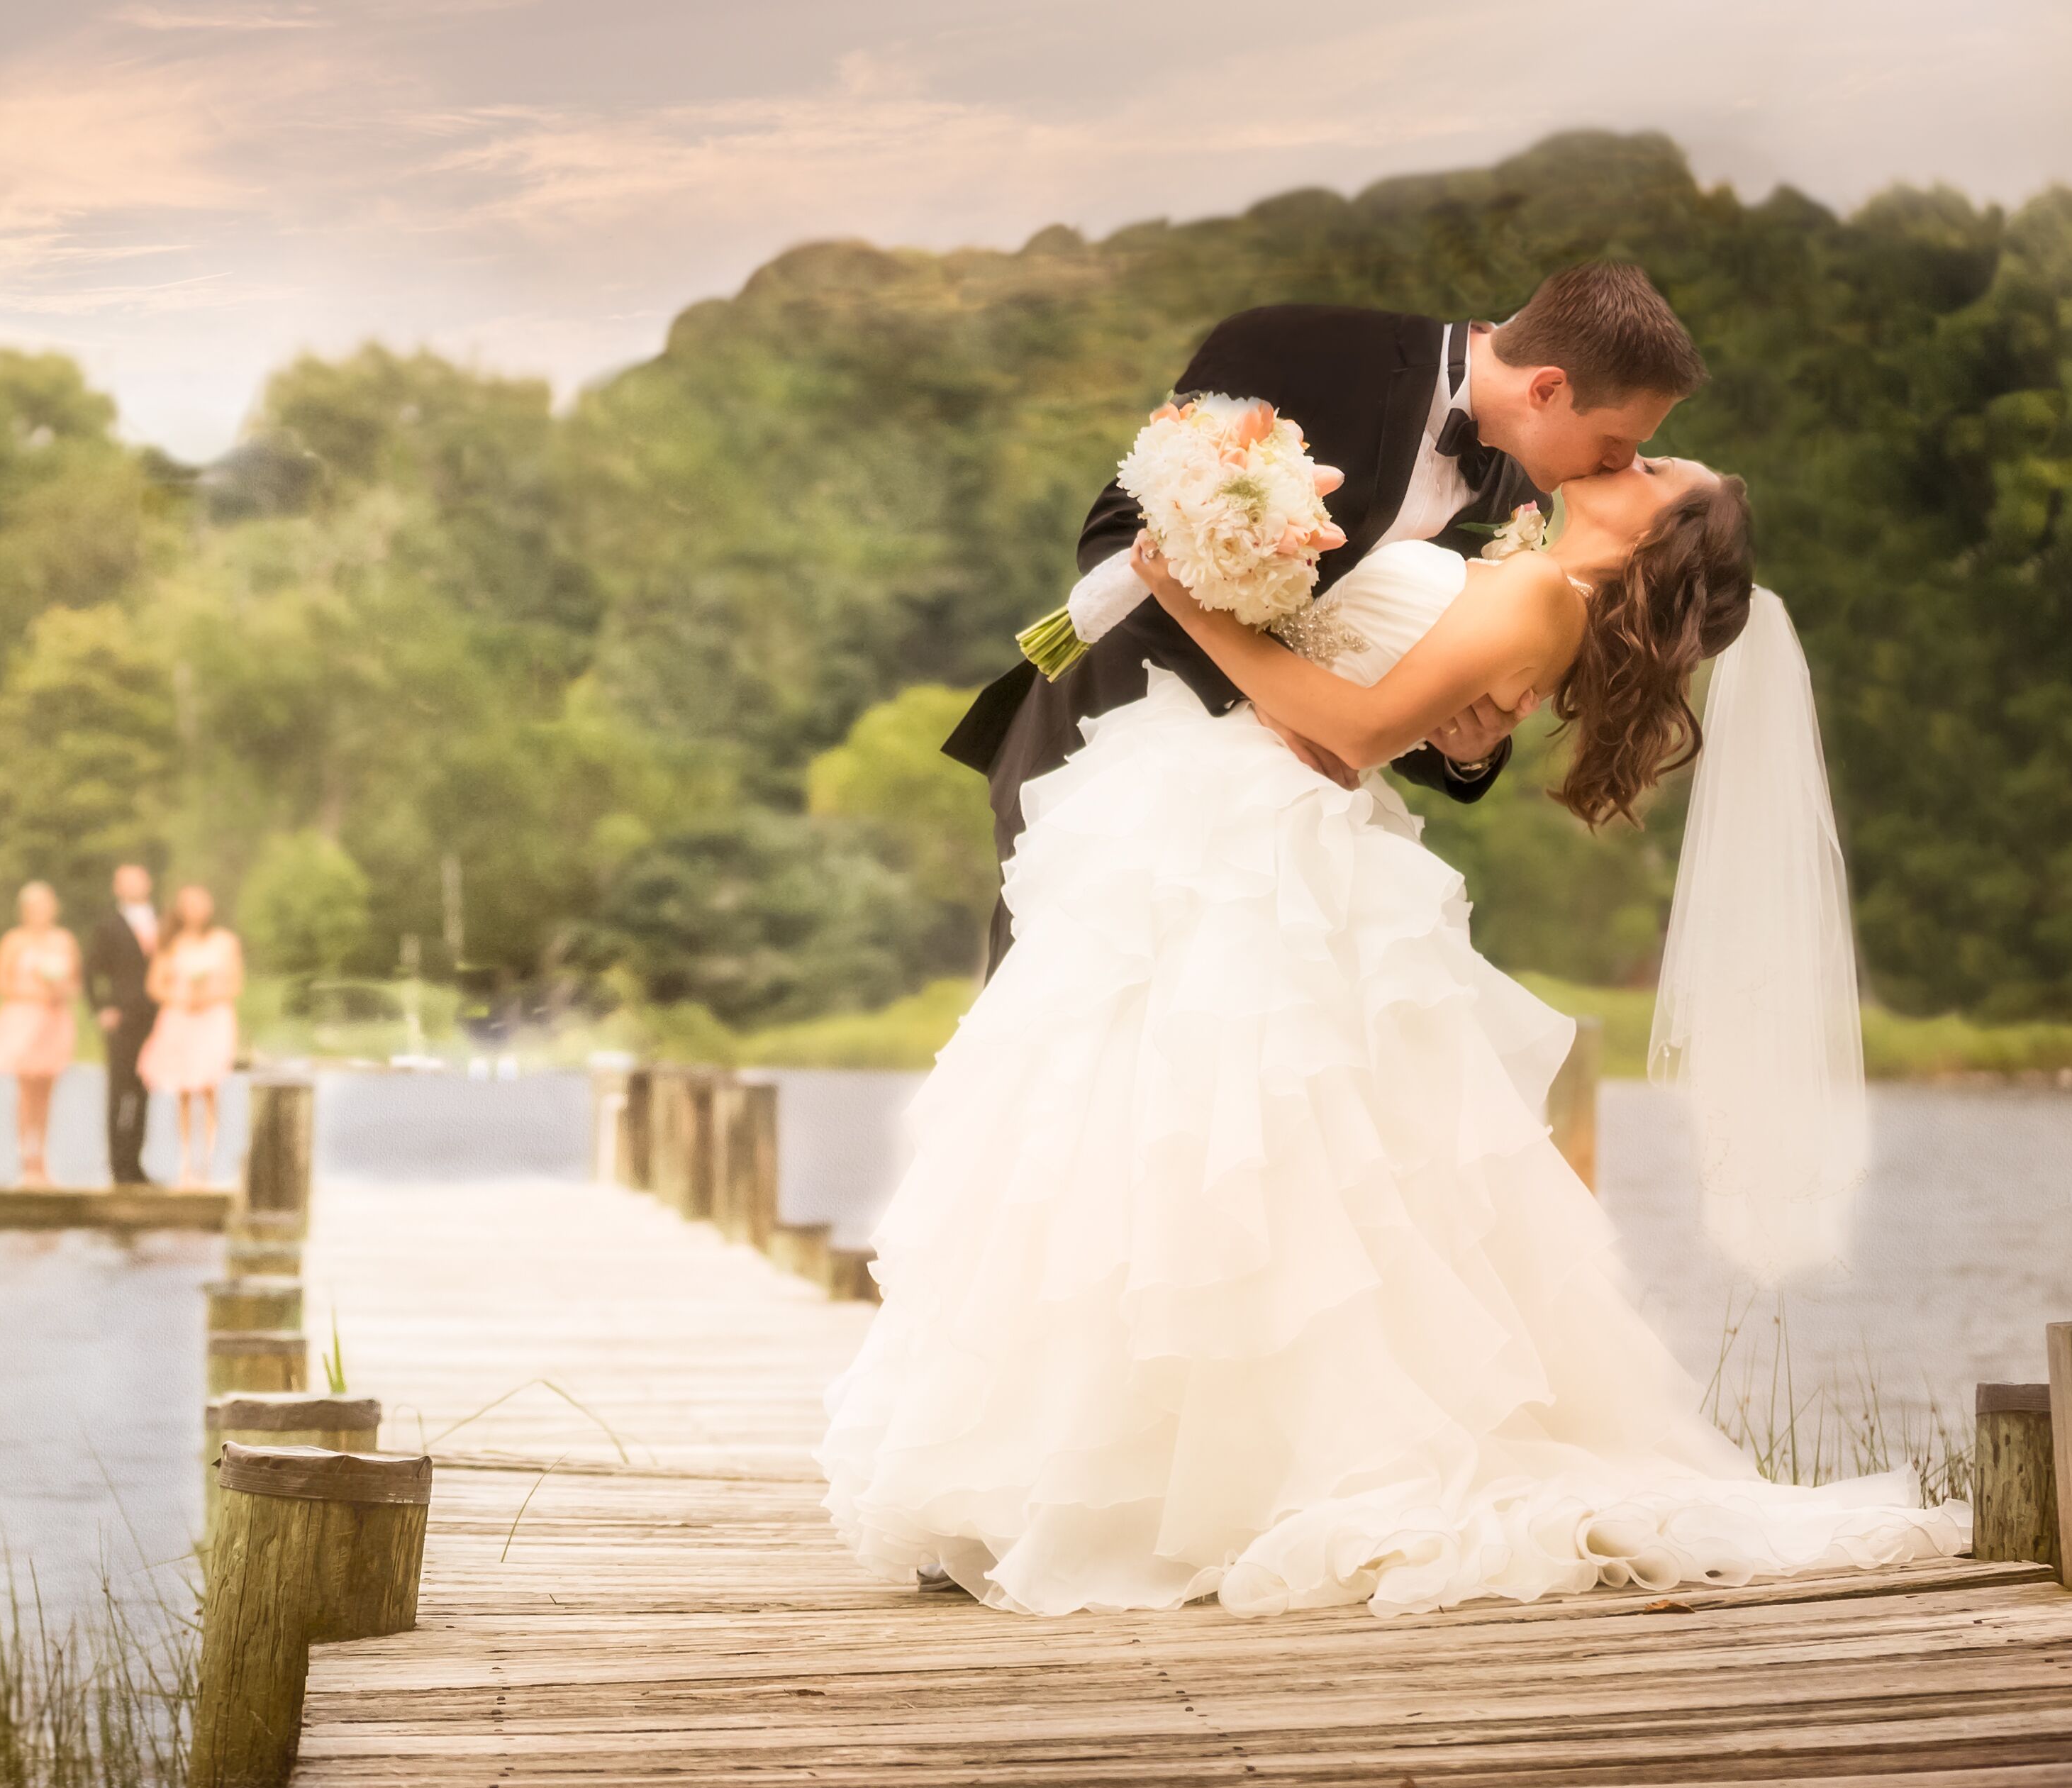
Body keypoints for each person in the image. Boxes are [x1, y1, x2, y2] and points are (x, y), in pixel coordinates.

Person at [821, 426, 1965, 1620]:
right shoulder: (1517, 569)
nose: (1632, 461)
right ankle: (1123, 1462)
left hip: (1262, 835)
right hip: (1235, 817)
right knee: (1160, 1138)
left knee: (1224, 1148)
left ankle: (1197, 1472)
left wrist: (1184, 598)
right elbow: (1390, 703)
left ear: (1653, 541)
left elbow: (1354, 731)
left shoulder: (1535, 593)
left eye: (1654, 476)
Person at [944, 262, 1708, 968]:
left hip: (1283, 821)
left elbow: (1398, 673)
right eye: (1615, 443)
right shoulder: (1297, 347)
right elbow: (1121, 539)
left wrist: (1462, 753)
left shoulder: (1527, 495)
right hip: (1110, 742)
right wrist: (1272, 704)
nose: (1614, 465)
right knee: (1075, 1036)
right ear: (1547, 389)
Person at [0, 880, 81, 1189]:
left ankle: (43, 1162)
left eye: (46, 905)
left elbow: (76, 983)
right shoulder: (14, 940)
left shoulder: (64, 939)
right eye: (34, 906)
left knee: (47, 1092)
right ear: (25, 910)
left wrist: (59, 990)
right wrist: (36, 990)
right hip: (25, 1020)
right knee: (26, 1091)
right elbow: (0, 983)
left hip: (54, 1020)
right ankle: (26, 1161)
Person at [138, 884, 245, 1189]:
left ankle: (208, 1161)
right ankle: (185, 1160)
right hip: (181, 1016)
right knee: (183, 1090)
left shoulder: (225, 941)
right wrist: (182, 998)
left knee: (210, 1087)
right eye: (189, 905)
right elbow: (155, 985)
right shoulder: (171, 943)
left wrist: (208, 997)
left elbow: (235, 984)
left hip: (212, 1018)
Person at [87, 863, 165, 1186]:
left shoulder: (162, 923)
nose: (134, 887)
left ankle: (137, 1162)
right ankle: (118, 1164)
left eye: (139, 880)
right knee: (120, 1092)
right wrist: (102, 1009)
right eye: (127, 882)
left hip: (157, 1019)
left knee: (144, 1090)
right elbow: (90, 971)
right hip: (123, 1019)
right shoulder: (108, 926)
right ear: (117, 888)